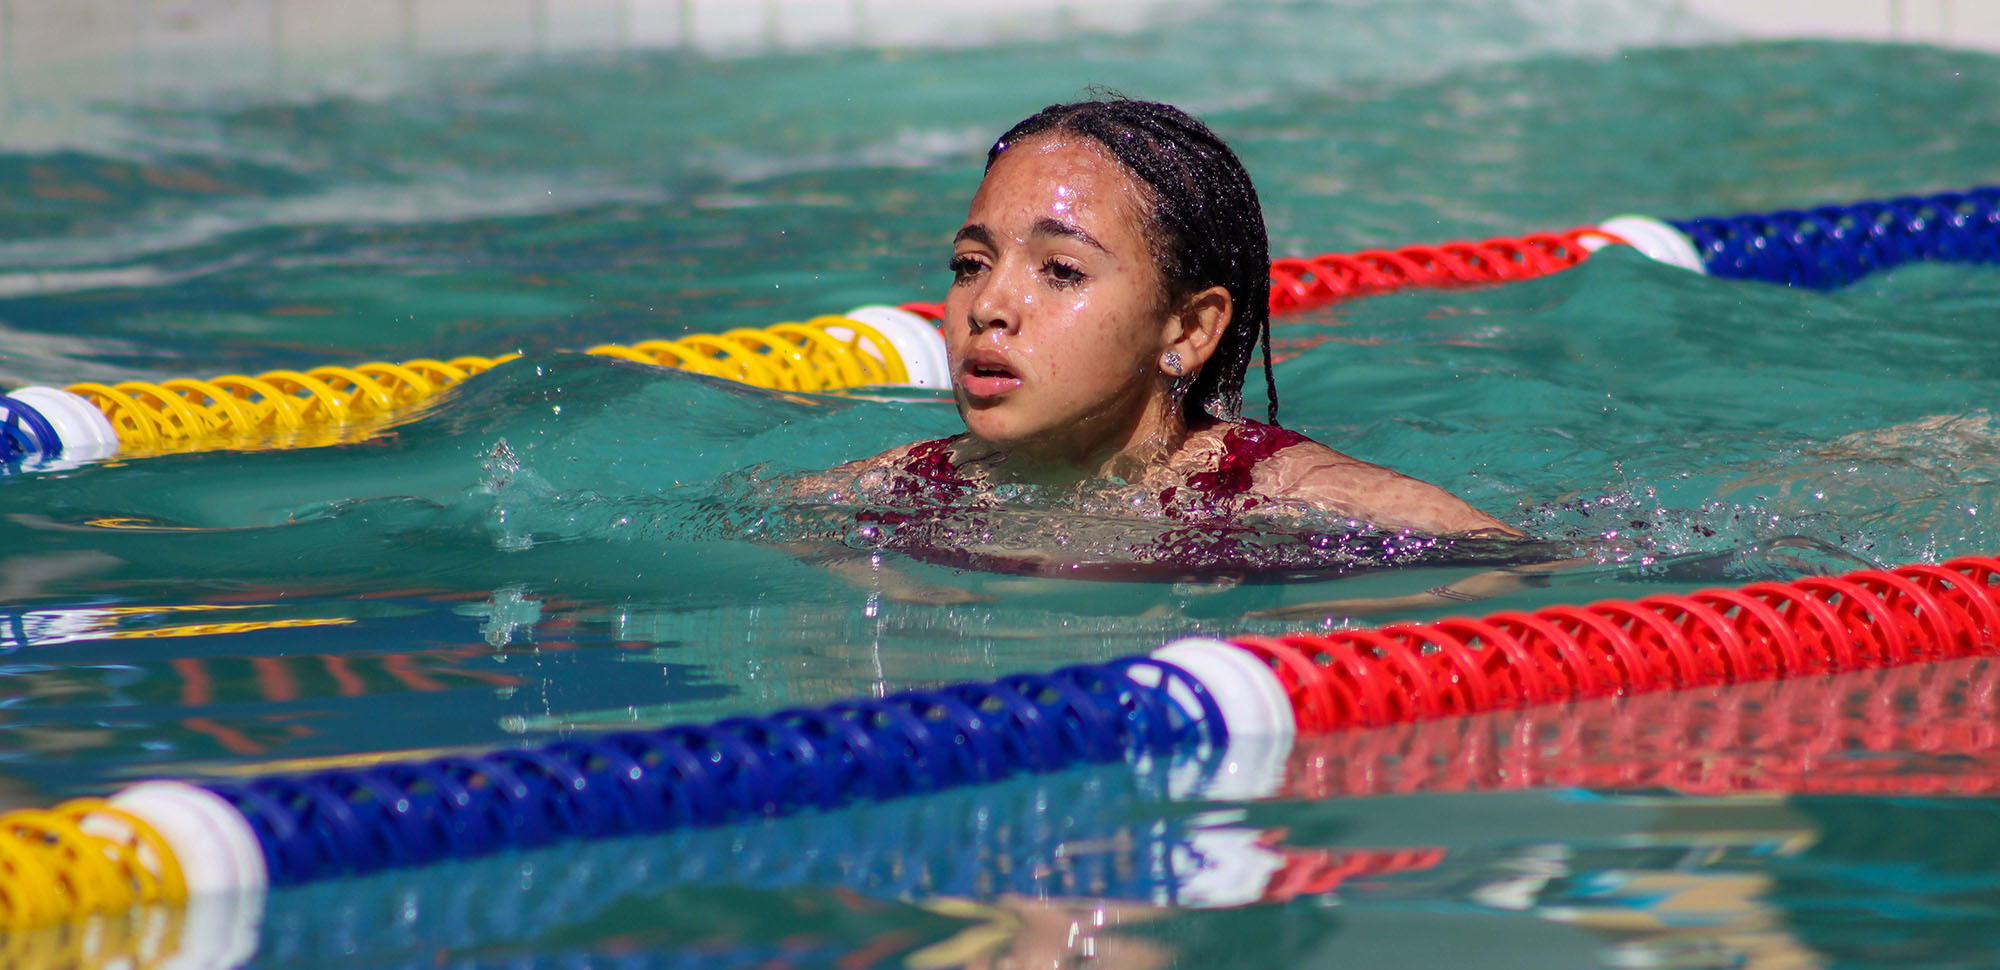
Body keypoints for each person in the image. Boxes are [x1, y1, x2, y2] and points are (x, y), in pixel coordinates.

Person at [796, 97, 1522, 586]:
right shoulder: (906, 487)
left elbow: (1519, 568)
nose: (987, 306)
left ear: (1189, 329)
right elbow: (791, 542)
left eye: (1061, 270)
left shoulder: (1275, 494)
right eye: (970, 264)